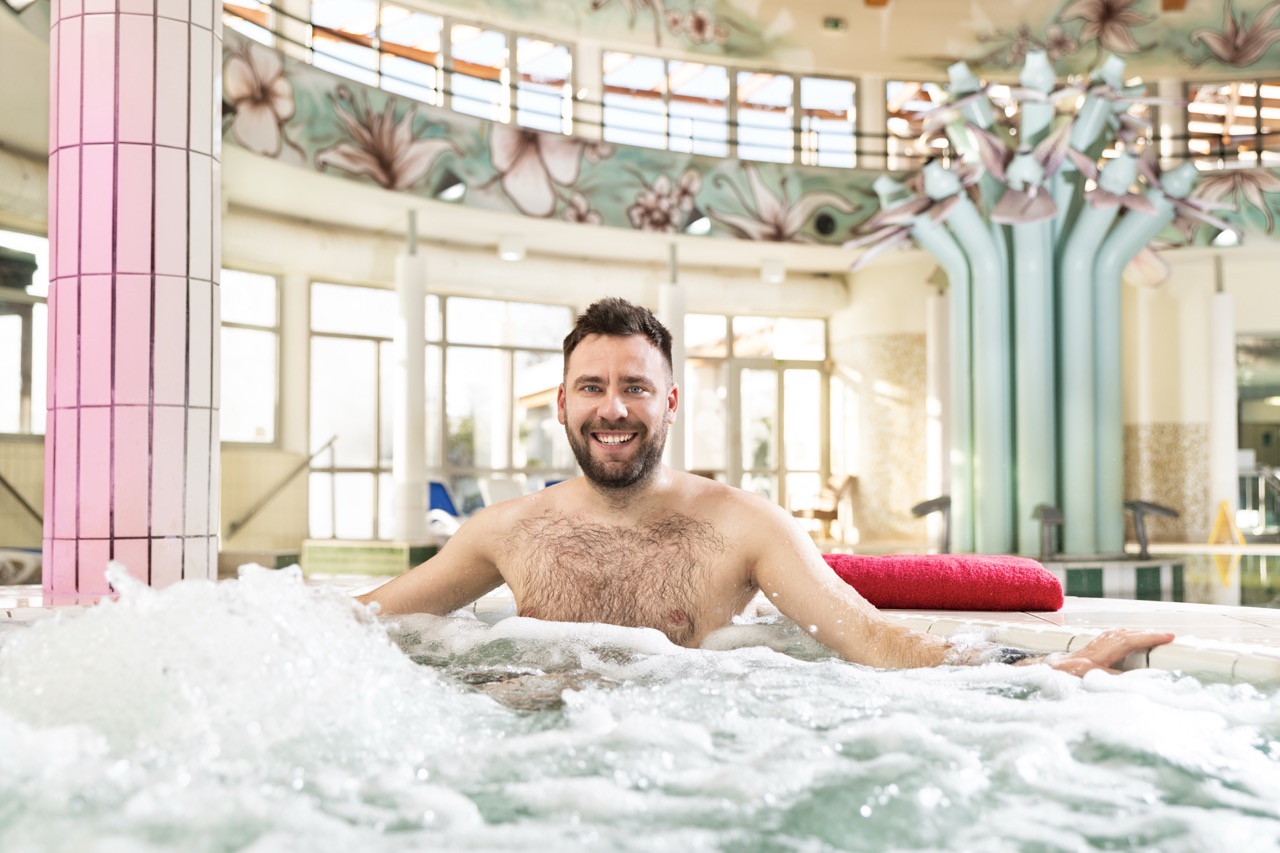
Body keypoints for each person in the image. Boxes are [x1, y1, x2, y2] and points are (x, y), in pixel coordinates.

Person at [359, 297, 1174, 675]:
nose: (614, 408)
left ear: (671, 402)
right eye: (592, 387)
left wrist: (1040, 668)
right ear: (564, 401)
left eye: (637, 387)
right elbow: (373, 619)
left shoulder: (744, 526)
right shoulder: (506, 532)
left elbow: (873, 640)